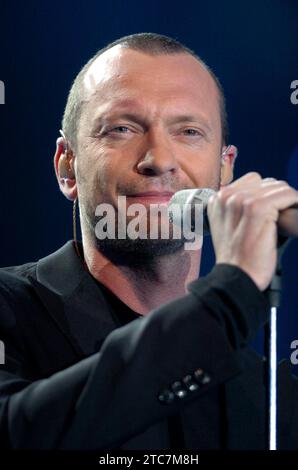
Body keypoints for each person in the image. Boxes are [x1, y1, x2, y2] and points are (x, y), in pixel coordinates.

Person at [0, 33, 297, 450]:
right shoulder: (10, 312)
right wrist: (231, 293)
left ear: (225, 168)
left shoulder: (268, 395)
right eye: (121, 129)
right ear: (67, 168)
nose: (158, 159)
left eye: (189, 131)